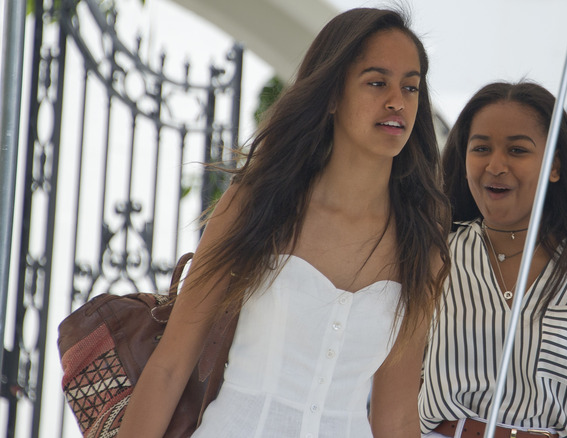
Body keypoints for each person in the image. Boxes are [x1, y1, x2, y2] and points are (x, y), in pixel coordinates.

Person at [117, 8, 451, 438]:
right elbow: (170, 366)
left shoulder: (420, 244)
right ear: (332, 96)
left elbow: (397, 416)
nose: (397, 101)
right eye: (376, 82)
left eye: (410, 87)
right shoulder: (258, 204)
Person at [419, 81, 567, 438]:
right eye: (481, 148)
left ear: (555, 166)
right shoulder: (432, 257)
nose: (495, 165)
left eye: (517, 150)